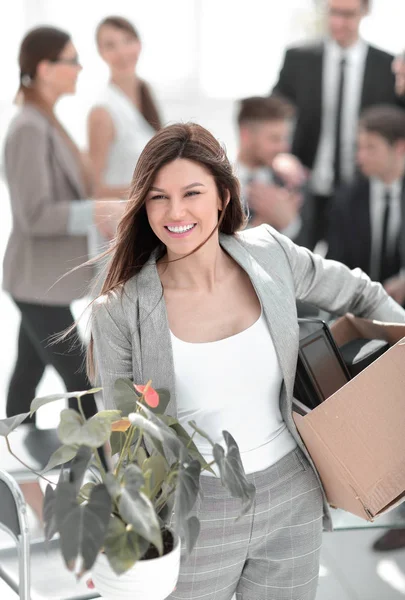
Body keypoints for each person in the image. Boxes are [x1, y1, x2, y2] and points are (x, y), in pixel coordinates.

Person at [89, 122, 405, 600]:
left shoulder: (269, 254)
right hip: (195, 513)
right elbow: (124, 440)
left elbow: (361, 293)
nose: (175, 212)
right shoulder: (120, 311)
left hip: (292, 495)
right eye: (157, 197)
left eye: (191, 193)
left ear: (223, 195)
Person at [3, 26, 124, 430]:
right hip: (34, 283)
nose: (79, 67)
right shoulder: (28, 129)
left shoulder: (47, 122)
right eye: (71, 60)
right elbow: (33, 215)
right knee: (81, 382)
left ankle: (17, 470)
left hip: (42, 282)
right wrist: (94, 211)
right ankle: (101, 474)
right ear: (45, 67)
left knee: (26, 378)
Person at [273, 0, 404, 248]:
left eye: (347, 14)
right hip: (305, 187)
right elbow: (273, 114)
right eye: (332, 13)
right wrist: (280, 155)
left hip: (363, 192)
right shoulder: (298, 59)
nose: (337, 22)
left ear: (365, 11)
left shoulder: (387, 67)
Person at [327, 104, 405, 306]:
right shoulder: (346, 198)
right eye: (359, 147)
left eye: (371, 147)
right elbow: (337, 263)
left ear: (399, 148)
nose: (360, 157)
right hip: (360, 308)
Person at [88, 15, 162, 199]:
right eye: (111, 45)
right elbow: (93, 189)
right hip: (120, 219)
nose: (122, 52)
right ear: (100, 52)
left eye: (127, 41)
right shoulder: (102, 111)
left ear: (139, 44)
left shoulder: (147, 92)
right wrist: (151, 191)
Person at [235, 95, 309, 244]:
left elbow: (309, 253)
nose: (284, 147)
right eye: (274, 139)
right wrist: (262, 225)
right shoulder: (216, 183)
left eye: (286, 138)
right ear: (246, 135)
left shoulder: (293, 183)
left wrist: (290, 224)